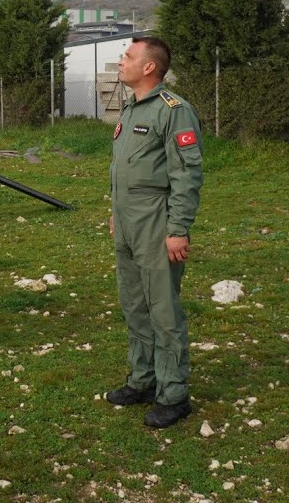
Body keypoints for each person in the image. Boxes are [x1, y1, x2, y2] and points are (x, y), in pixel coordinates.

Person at [104, 36, 204, 428]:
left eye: (127, 56)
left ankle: (174, 393)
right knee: (134, 304)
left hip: (157, 222)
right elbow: (123, 171)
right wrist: (116, 212)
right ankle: (143, 380)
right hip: (127, 222)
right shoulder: (130, 110)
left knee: (163, 309)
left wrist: (178, 229)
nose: (121, 61)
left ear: (149, 67)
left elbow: (187, 173)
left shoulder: (173, 111)